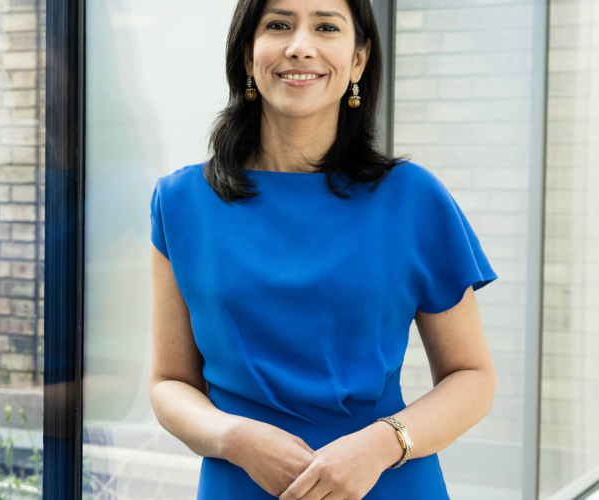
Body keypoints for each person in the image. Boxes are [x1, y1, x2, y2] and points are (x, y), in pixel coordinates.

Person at [148, 0, 499, 498]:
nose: (300, 46)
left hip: (388, 482)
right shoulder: (181, 203)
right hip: (240, 483)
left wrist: (380, 445)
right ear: (248, 55)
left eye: (326, 27)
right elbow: (168, 382)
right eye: (278, 25)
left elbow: (473, 376)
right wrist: (234, 437)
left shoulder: (413, 199)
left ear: (358, 60)